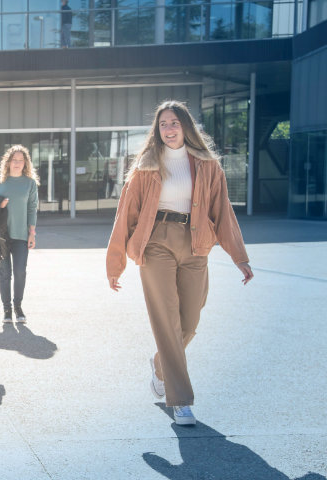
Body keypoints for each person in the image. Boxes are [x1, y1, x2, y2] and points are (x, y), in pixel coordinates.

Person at [106, 100, 253, 426]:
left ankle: (161, 366)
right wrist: (115, 264)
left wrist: (239, 256)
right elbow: (125, 215)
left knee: (189, 321)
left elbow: (222, 212)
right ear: (157, 131)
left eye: (174, 123)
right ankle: (181, 400)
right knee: (167, 321)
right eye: (163, 124)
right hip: (156, 240)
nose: (169, 129)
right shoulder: (145, 166)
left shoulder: (208, 165)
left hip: (196, 243)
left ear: (186, 127)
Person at [0, 145, 39, 324]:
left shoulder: (29, 183)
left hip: (21, 235)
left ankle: (18, 306)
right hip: (0, 235)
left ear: (25, 163)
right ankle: (6, 310)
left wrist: (32, 233)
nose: (17, 163)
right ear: (8, 162)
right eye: (14, 160)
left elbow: (32, 208)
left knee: (21, 272)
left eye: (20, 160)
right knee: (5, 273)